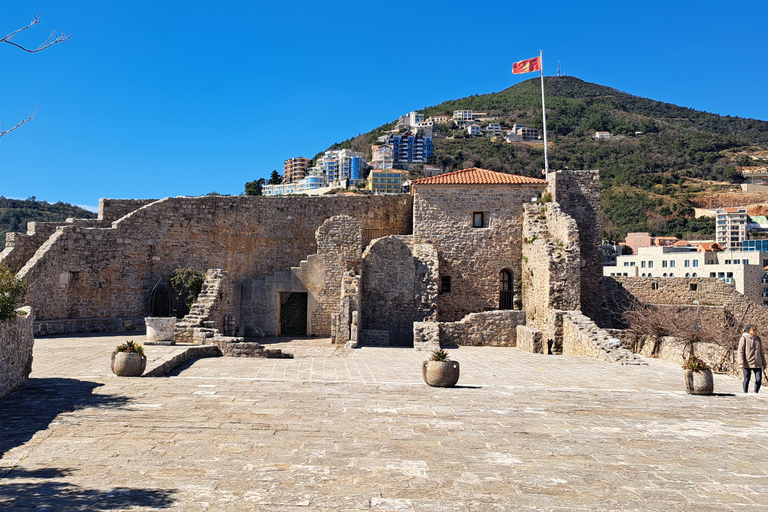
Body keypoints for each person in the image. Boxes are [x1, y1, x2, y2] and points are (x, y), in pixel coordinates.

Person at [737, 324, 767, 394]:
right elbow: (740, 351)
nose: (755, 331)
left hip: (757, 363)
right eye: (754, 330)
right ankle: (745, 393)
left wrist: (764, 363)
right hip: (747, 363)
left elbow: (761, 352)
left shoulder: (758, 339)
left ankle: (756, 392)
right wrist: (741, 363)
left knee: (759, 379)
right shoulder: (744, 339)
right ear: (749, 331)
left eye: (756, 330)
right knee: (747, 378)